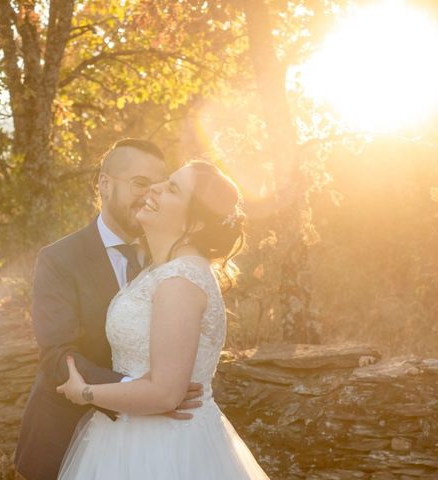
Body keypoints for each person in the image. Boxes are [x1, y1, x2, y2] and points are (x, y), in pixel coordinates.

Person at [56, 161, 270, 479]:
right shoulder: (161, 270)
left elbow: (166, 394)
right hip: (124, 436)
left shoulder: (180, 281)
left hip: (166, 448)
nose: (155, 187)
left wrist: (85, 392)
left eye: (172, 188)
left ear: (195, 224)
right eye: (166, 181)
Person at [14, 139, 205, 480]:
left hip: (160, 444)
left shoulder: (170, 257)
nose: (150, 194)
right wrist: (143, 390)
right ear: (105, 184)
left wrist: (164, 389)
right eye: (139, 183)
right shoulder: (59, 259)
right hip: (65, 435)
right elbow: (57, 354)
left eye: (158, 185)